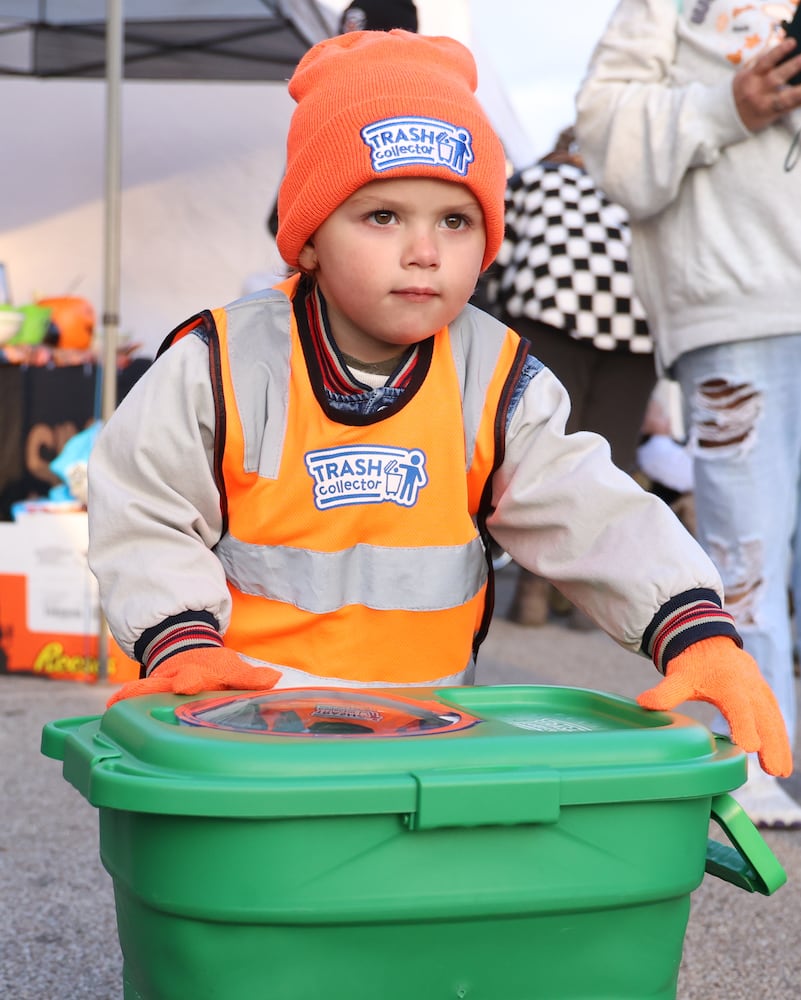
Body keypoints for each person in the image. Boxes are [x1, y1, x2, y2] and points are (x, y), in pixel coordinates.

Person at [87, 30, 791, 792]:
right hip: (242, 733)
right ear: (310, 240)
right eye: (383, 216)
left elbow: (590, 507)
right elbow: (143, 504)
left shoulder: (495, 376)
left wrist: (690, 626)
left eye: (454, 221)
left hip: (430, 735)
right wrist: (179, 641)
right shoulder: (219, 363)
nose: (424, 250)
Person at [575, 0, 801, 827]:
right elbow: (600, 130)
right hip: (735, 301)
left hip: (738, 295)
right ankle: (748, 751)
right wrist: (725, 105)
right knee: (744, 547)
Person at [482, 126, 657, 629]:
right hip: (638, 327)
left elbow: (497, 251)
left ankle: (534, 594)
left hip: (552, 310)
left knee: (545, 450)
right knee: (612, 460)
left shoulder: (538, 179)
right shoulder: (636, 193)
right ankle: (595, 604)